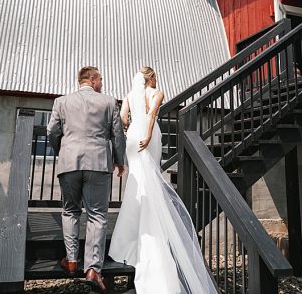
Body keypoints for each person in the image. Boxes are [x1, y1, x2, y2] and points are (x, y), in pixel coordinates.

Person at [109, 67, 217, 293]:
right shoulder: (157, 93)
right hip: (147, 134)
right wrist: (148, 135)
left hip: (132, 136)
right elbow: (152, 115)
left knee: (137, 178)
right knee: (151, 174)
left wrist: (130, 131)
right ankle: (151, 221)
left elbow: (121, 118)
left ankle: (127, 235)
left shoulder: (130, 95)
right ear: (152, 78)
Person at [46, 66, 125, 292]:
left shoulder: (61, 102)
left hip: (69, 162)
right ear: (91, 79)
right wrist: (120, 161)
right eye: (100, 79)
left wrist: (63, 151)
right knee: (97, 215)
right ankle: (92, 269)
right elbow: (117, 134)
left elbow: (52, 131)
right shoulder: (109, 102)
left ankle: (71, 261)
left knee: (70, 210)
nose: (102, 82)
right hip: (98, 164)